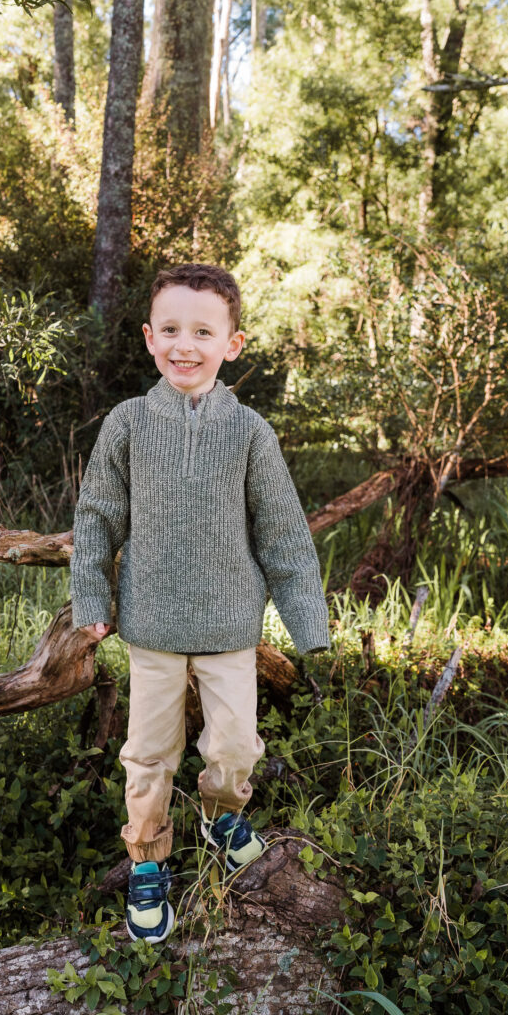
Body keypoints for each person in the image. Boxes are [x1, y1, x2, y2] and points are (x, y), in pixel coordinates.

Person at [70, 263, 330, 943]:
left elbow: (284, 536)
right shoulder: (127, 423)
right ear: (150, 338)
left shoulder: (248, 433)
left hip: (228, 627)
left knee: (237, 745)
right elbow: (97, 516)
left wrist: (311, 631)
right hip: (151, 626)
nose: (186, 345)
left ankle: (220, 815)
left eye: (203, 332)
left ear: (232, 344)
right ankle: (148, 856)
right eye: (173, 331)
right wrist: (91, 594)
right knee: (149, 755)